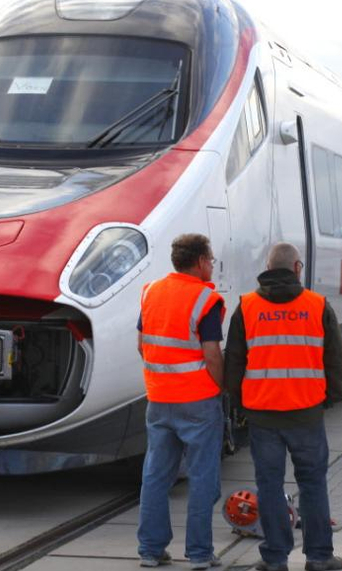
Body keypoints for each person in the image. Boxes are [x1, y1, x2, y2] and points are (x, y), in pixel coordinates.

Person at [225, 242, 342, 571]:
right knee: (313, 484)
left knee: (270, 485)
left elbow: (234, 361)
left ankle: (275, 558)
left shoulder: (247, 307)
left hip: (263, 416)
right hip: (306, 412)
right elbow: (335, 358)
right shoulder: (316, 305)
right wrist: (330, 397)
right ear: (297, 268)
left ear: (267, 268)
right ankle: (319, 557)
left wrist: (238, 403)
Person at [136, 233, 226, 570]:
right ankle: (200, 554)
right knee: (203, 478)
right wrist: (220, 388)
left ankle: (150, 551)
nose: (212, 265)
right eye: (212, 260)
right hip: (198, 401)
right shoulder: (205, 299)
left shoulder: (151, 292)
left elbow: (142, 344)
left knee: (156, 476)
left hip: (158, 398)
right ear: (201, 261)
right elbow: (212, 354)